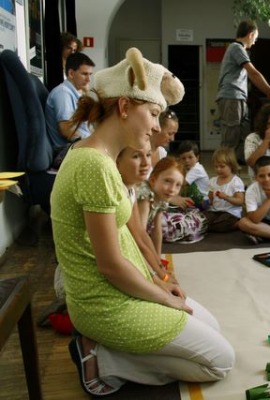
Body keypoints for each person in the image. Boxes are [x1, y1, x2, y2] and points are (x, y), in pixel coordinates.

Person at [50, 47, 234, 396]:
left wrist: (158, 280)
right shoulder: (94, 165)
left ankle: (116, 352)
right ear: (124, 107)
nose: (155, 126)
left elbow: (127, 239)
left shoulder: (100, 158)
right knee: (221, 361)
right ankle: (104, 360)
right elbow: (111, 266)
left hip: (124, 290)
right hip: (105, 303)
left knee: (213, 328)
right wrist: (163, 298)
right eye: (152, 113)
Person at [216, 19, 270, 163]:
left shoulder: (237, 49)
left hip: (238, 98)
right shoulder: (236, 48)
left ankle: (235, 176)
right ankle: (225, 177)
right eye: (255, 38)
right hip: (231, 97)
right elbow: (254, 74)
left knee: (244, 138)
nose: (255, 42)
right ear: (251, 34)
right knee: (230, 139)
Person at [116, 143, 176, 283]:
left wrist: (161, 270)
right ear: (118, 161)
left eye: (148, 155)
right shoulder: (127, 191)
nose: (145, 163)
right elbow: (135, 243)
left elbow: (141, 236)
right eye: (136, 156)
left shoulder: (132, 188)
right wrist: (158, 277)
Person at [45, 52, 95, 150]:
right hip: (66, 151)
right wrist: (92, 144)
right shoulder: (63, 93)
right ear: (71, 73)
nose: (89, 79)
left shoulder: (76, 93)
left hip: (78, 146)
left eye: (90, 74)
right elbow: (66, 129)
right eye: (84, 74)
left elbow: (86, 127)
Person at [204, 146, 245, 232]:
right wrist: (205, 203)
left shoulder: (236, 182)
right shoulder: (213, 181)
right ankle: (213, 225)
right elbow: (210, 199)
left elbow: (240, 201)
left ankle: (239, 224)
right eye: (216, 166)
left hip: (230, 213)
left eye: (222, 166)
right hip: (215, 211)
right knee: (203, 220)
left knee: (222, 223)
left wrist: (226, 197)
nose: (218, 169)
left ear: (231, 165)